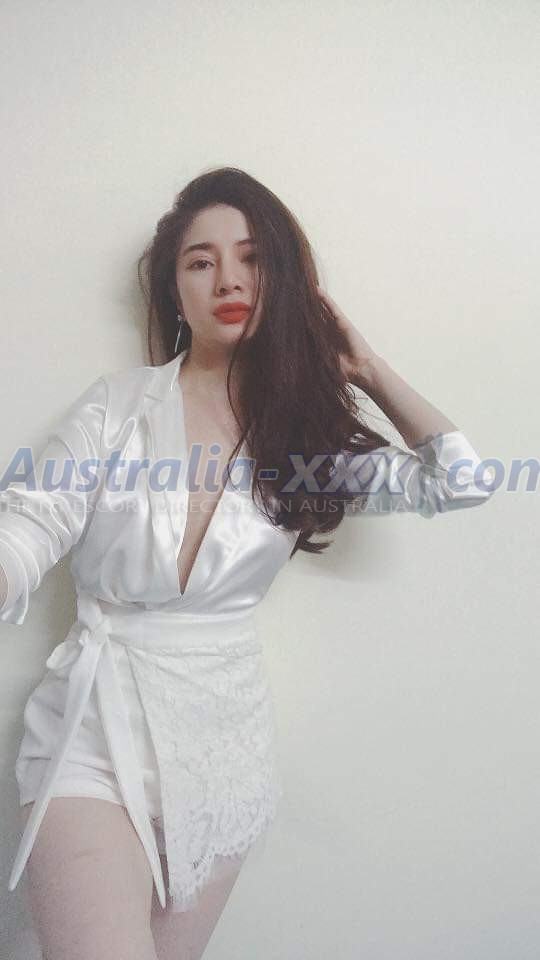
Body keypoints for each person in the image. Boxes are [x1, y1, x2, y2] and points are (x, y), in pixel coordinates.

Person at [0, 167, 496, 959]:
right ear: (175, 291)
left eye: (252, 258)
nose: (228, 279)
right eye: (200, 262)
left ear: (283, 279)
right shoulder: (117, 407)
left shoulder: (305, 440)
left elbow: (460, 480)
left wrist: (366, 366)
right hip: (93, 735)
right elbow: (29, 522)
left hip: (222, 751)